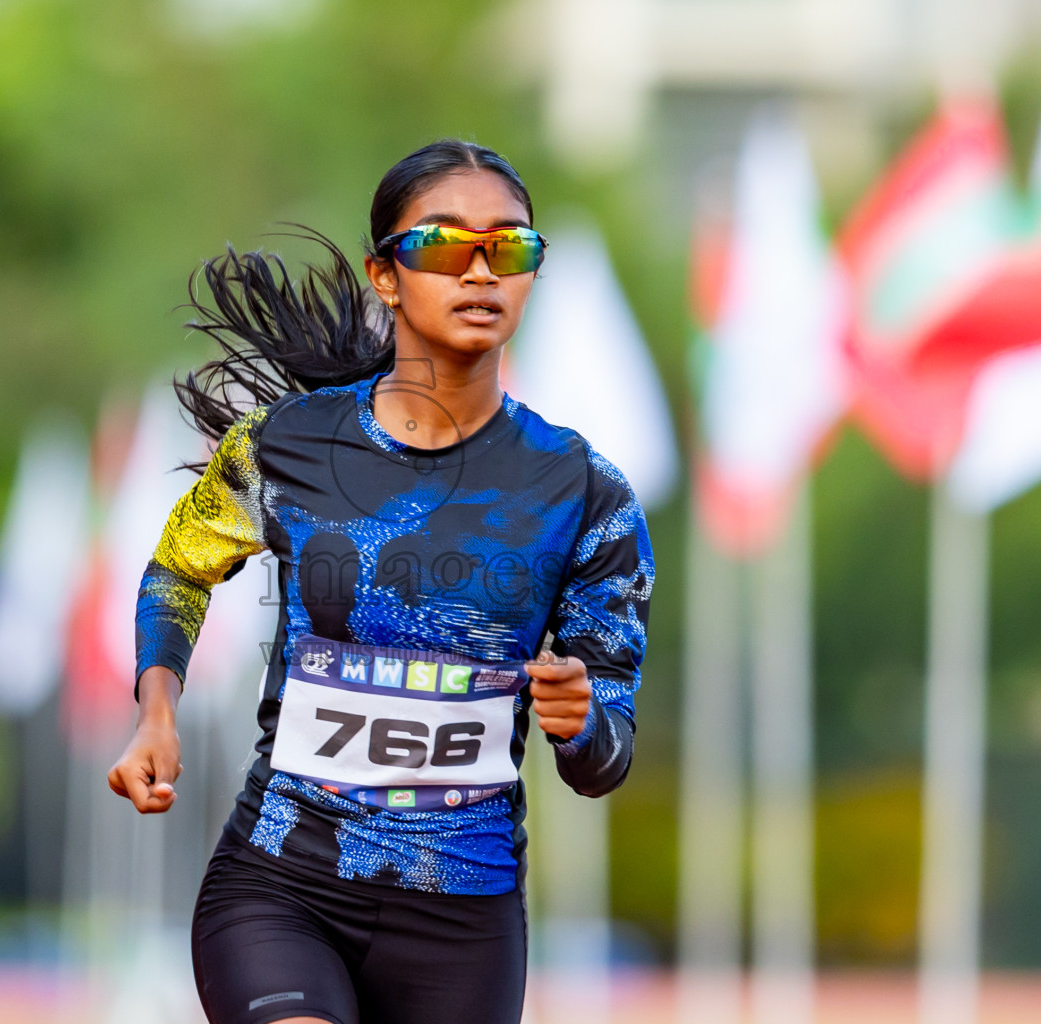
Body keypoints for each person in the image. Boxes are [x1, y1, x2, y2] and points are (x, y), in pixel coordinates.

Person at [108, 139, 654, 1024]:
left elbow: (605, 759)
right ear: (386, 276)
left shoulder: (585, 495)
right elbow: (178, 568)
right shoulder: (283, 447)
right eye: (445, 245)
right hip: (282, 885)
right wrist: (156, 709)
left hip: (462, 922)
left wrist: (582, 720)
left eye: (510, 248)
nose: (481, 270)